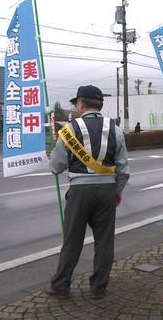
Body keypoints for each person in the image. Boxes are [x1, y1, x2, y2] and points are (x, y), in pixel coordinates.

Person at [45, 85, 130, 299]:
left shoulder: (69, 130)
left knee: (72, 240)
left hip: (79, 192)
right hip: (107, 191)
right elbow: (123, 169)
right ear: (100, 104)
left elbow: (56, 167)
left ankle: (61, 286)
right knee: (104, 241)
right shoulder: (115, 129)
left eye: (76, 103)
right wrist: (116, 191)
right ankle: (99, 288)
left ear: (81, 103)